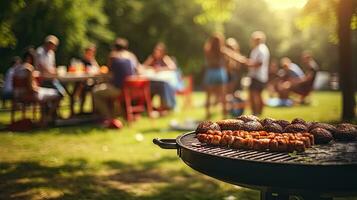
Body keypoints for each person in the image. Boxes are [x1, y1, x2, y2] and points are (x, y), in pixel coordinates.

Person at [92, 38, 139, 128]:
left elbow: (109, 74)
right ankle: (115, 116)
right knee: (106, 89)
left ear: (114, 48)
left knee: (96, 92)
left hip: (119, 89)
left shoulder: (113, 56)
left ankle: (108, 119)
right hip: (131, 90)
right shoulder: (131, 56)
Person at [13, 48, 61, 125]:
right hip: (30, 94)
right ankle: (46, 118)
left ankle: (44, 118)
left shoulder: (16, 68)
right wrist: (38, 88)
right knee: (57, 95)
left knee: (46, 93)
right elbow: (31, 88)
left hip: (18, 95)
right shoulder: (29, 69)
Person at [143, 42, 177, 111]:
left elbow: (173, 67)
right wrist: (151, 66)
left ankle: (166, 106)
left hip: (166, 82)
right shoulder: (152, 58)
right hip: (154, 81)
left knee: (163, 86)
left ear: (162, 52)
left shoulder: (165, 58)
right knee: (148, 85)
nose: (156, 52)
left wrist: (161, 69)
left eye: (159, 51)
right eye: (156, 50)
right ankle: (147, 105)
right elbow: (143, 67)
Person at [203, 33, 229, 119]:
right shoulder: (222, 49)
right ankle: (225, 114)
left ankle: (208, 114)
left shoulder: (208, 50)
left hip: (210, 73)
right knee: (223, 95)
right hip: (220, 72)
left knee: (208, 95)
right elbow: (232, 56)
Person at [245, 31, 270, 116]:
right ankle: (256, 113)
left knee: (255, 95)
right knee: (255, 95)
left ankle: (257, 113)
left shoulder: (261, 49)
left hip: (258, 76)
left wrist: (247, 63)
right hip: (257, 75)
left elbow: (259, 63)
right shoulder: (257, 49)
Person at [76, 44, 100, 113]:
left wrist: (93, 61)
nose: (91, 53)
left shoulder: (93, 61)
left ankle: (94, 111)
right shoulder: (82, 61)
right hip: (82, 82)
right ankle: (80, 110)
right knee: (81, 86)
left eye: (92, 52)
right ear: (86, 52)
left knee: (95, 87)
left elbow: (97, 70)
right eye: (89, 52)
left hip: (91, 82)